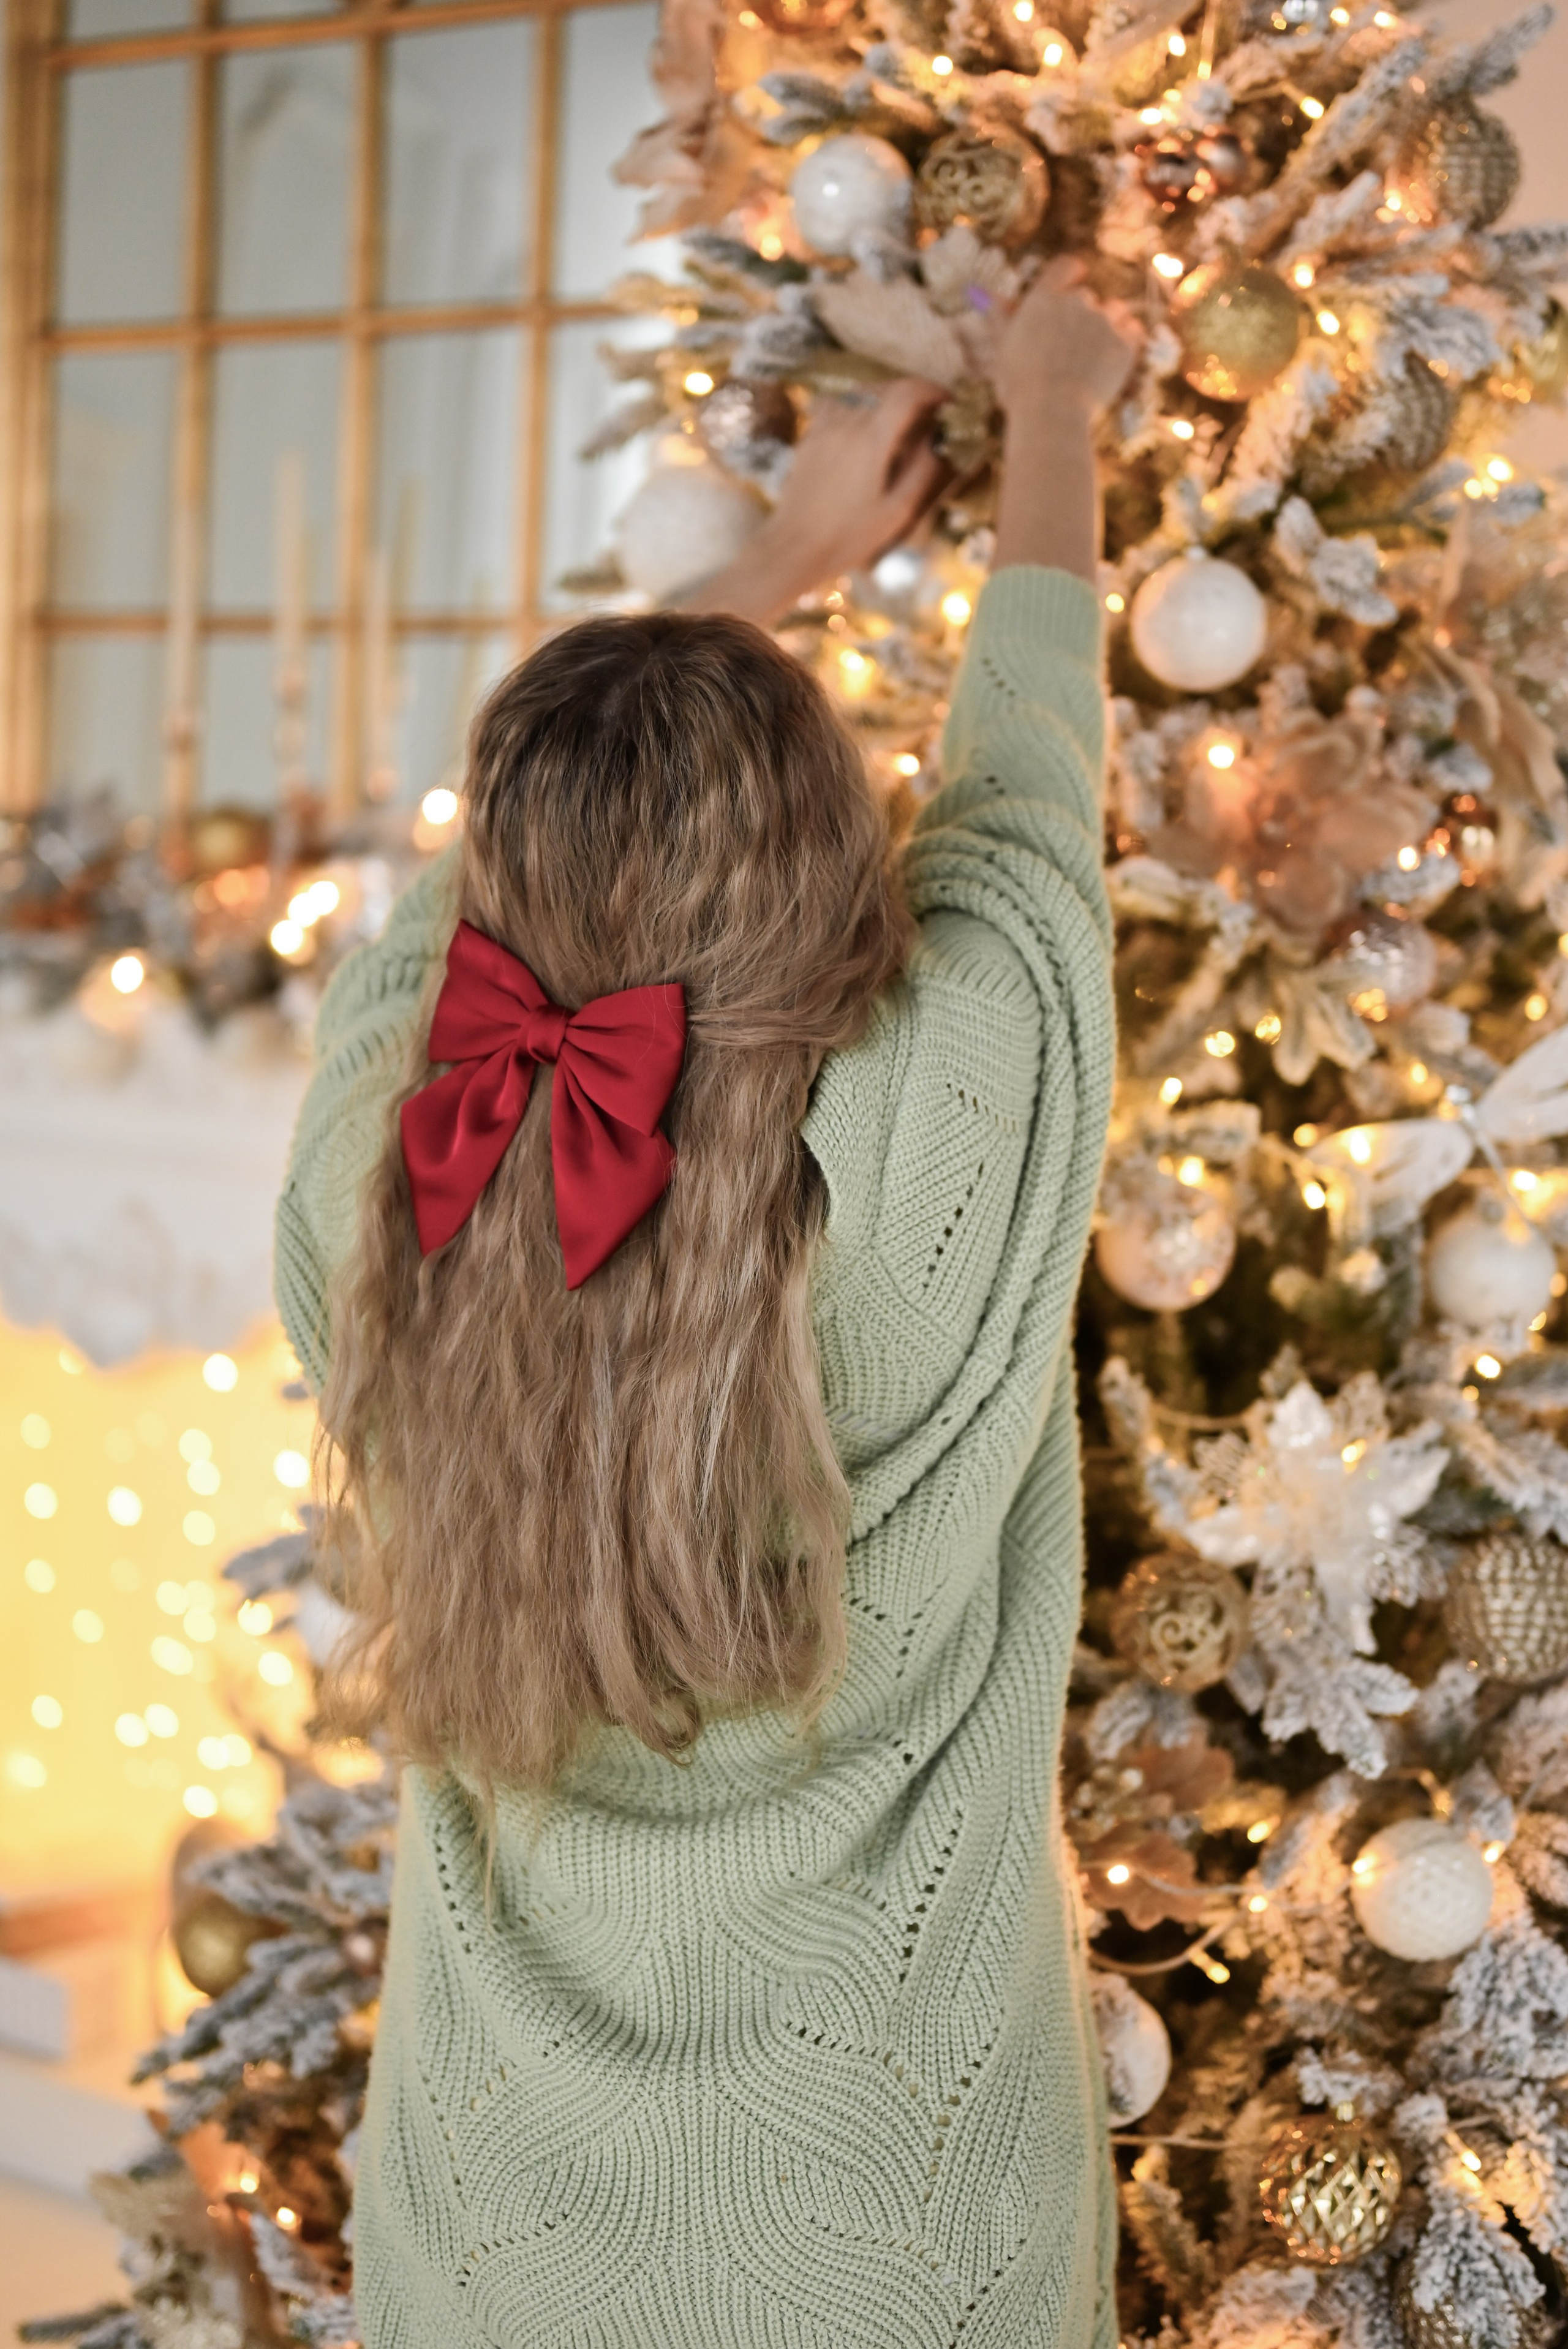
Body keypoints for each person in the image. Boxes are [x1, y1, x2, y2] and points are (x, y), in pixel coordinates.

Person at [274, 259, 1139, 2349]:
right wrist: (1053, 403)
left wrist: (765, 555)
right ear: (842, 864)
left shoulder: (389, 1170)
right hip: (912, 2226)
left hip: (490, 2239)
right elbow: (1031, 784)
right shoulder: (948, 1120)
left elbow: (463, 884)